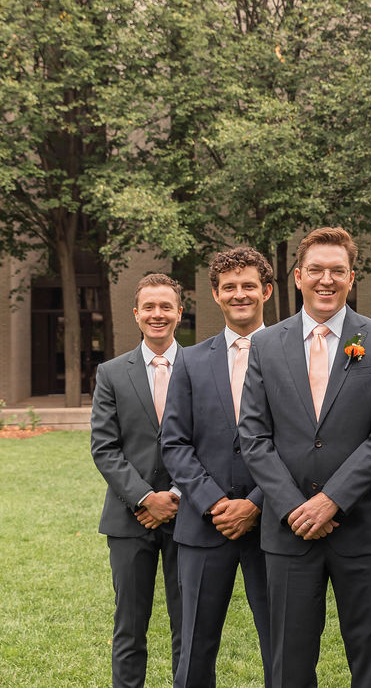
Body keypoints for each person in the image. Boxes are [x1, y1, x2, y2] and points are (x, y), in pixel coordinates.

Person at [238, 227, 371, 688]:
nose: (325, 280)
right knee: (289, 662)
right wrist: (295, 507)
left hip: (363, 528)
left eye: (337, 271)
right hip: (288, 533)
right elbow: (253, 434)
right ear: (297, 276)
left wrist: (332, 500)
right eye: (316, 270)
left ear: (352, 277)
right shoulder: (266, 344)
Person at [161, 247, 275, 687]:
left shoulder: (291, 353)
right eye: (230, 287)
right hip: (204, 526)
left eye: (249, 285)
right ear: (215, 294)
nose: (240, 294)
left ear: (265, 291)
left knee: (281, 643)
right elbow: (174, 443)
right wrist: (214, 503)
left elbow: (298, 442)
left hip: (272, 523)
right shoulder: (189, 360)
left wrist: (256, 503)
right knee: (195, 645)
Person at [91, 272, 185, 687]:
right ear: (136, 314)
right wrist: (146, 498)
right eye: (149, 307)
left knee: (190, 627)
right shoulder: (111, 373)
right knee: (130, 627)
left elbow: (213, 441)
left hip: (189, 516)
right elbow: (105, 448)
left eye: (166, 306)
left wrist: (177, 496)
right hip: (130, 520)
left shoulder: (200, 367)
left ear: (180, 313)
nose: (157, 314)